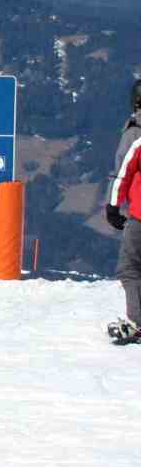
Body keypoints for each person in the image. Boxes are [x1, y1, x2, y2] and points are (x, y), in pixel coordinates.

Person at [106, 79, 141, 344]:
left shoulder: (136, 132)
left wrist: (113, 206)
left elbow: (123, 171)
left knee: (129, 268)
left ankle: (137, 323)